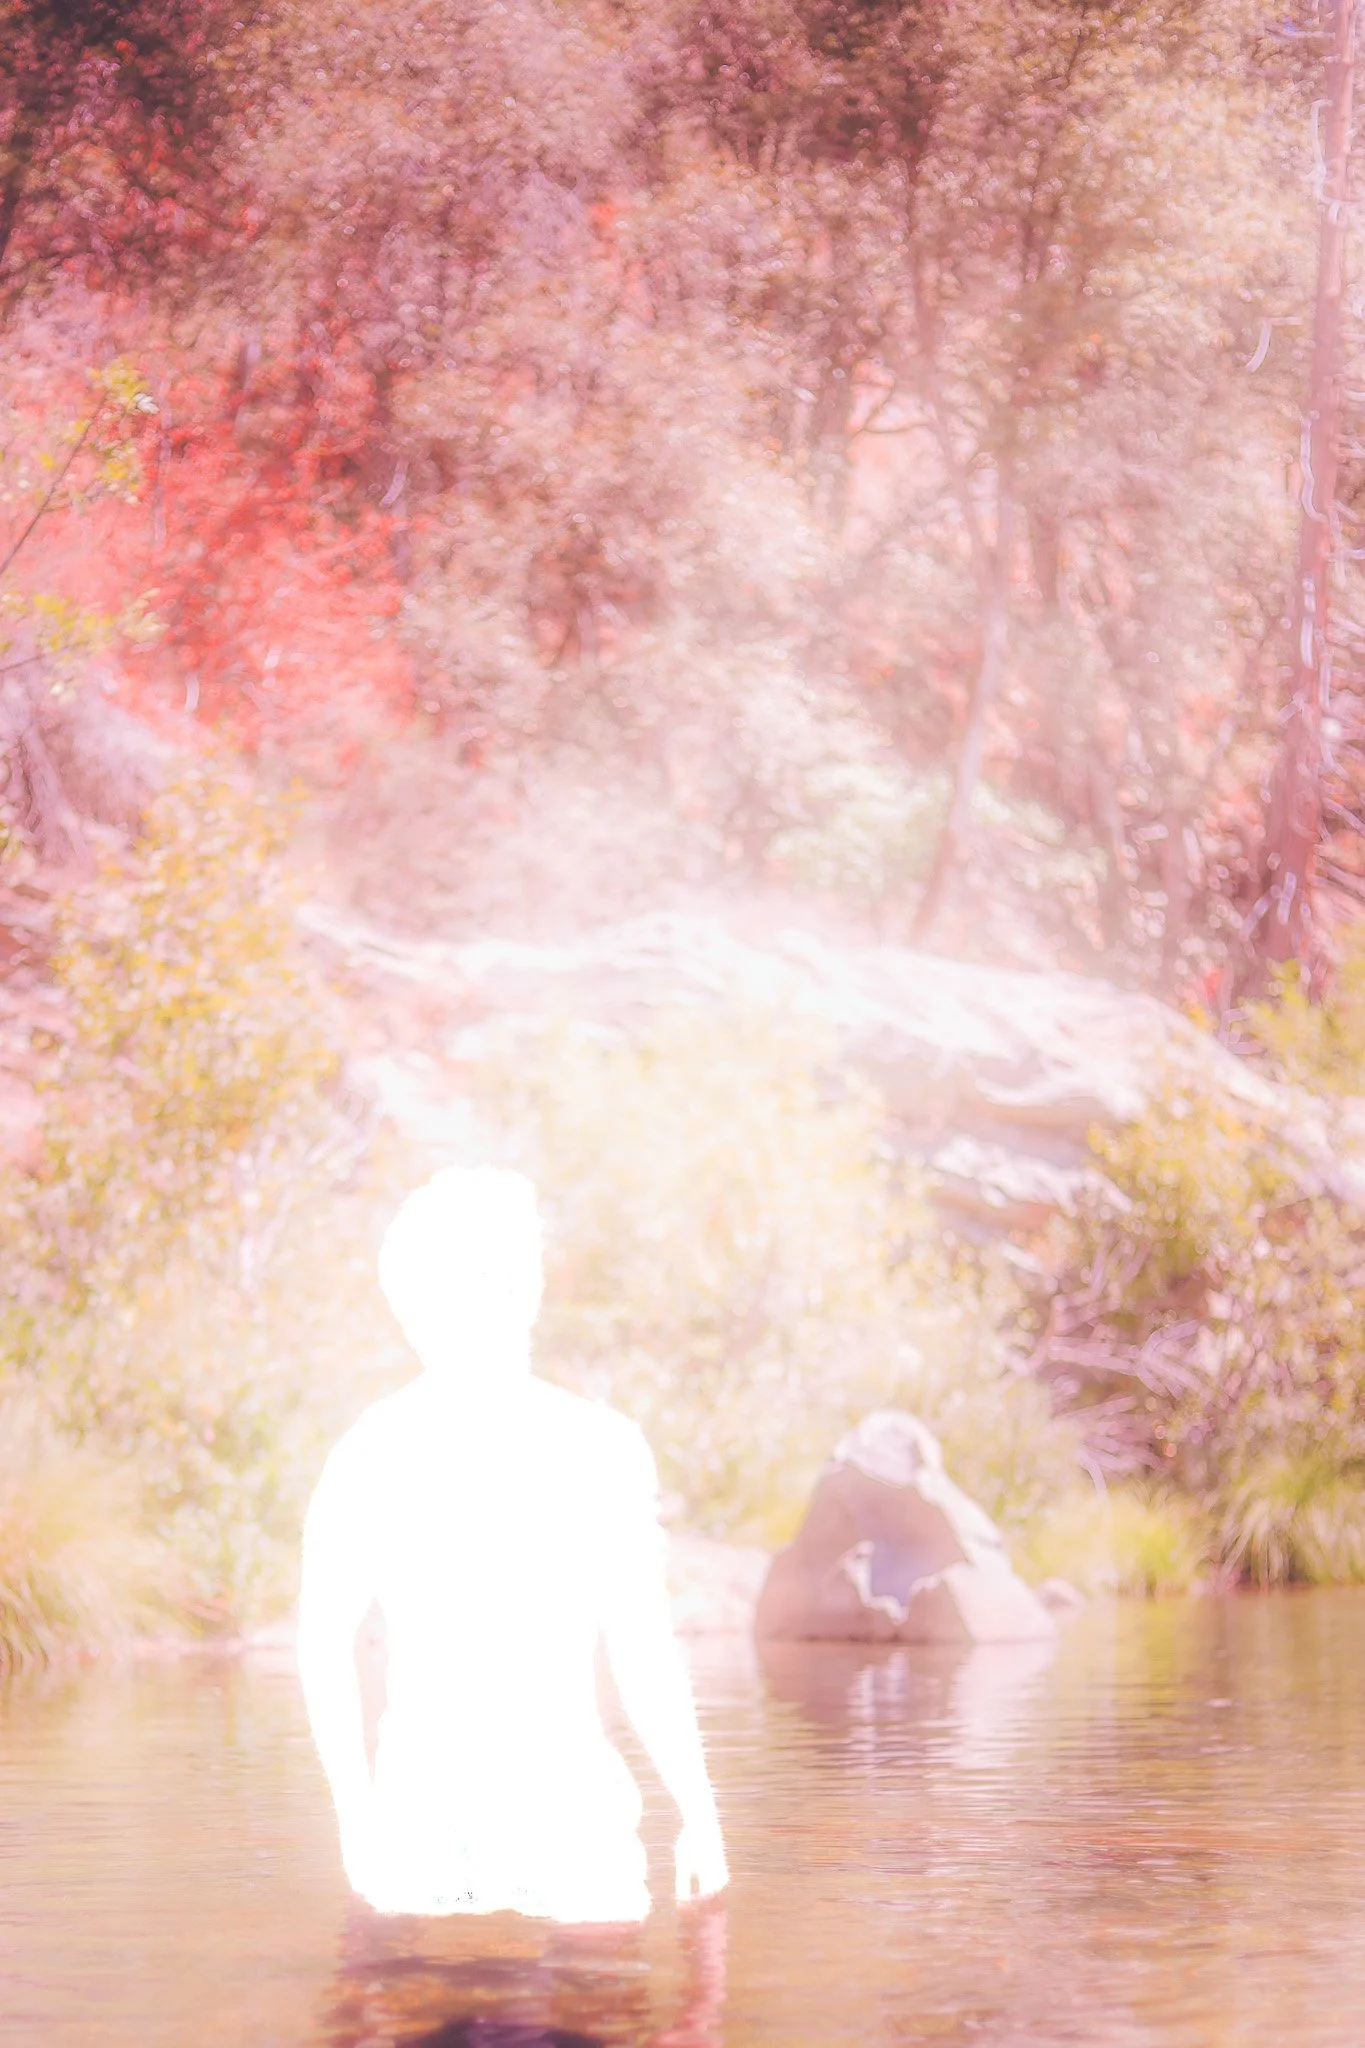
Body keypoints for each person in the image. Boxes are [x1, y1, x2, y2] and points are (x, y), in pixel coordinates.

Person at [296, 1166, 730, 1924]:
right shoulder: (374, 1452)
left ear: (527, 1289)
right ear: (412, 1304)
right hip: (438, 1832)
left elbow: (642, 1648)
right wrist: (354, 1820)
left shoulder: (598, 1446)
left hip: (554, 1825)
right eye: (470, 1278)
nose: (493, 1296)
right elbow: (320, 1643)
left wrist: (700, 1812)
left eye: (503, 1273)